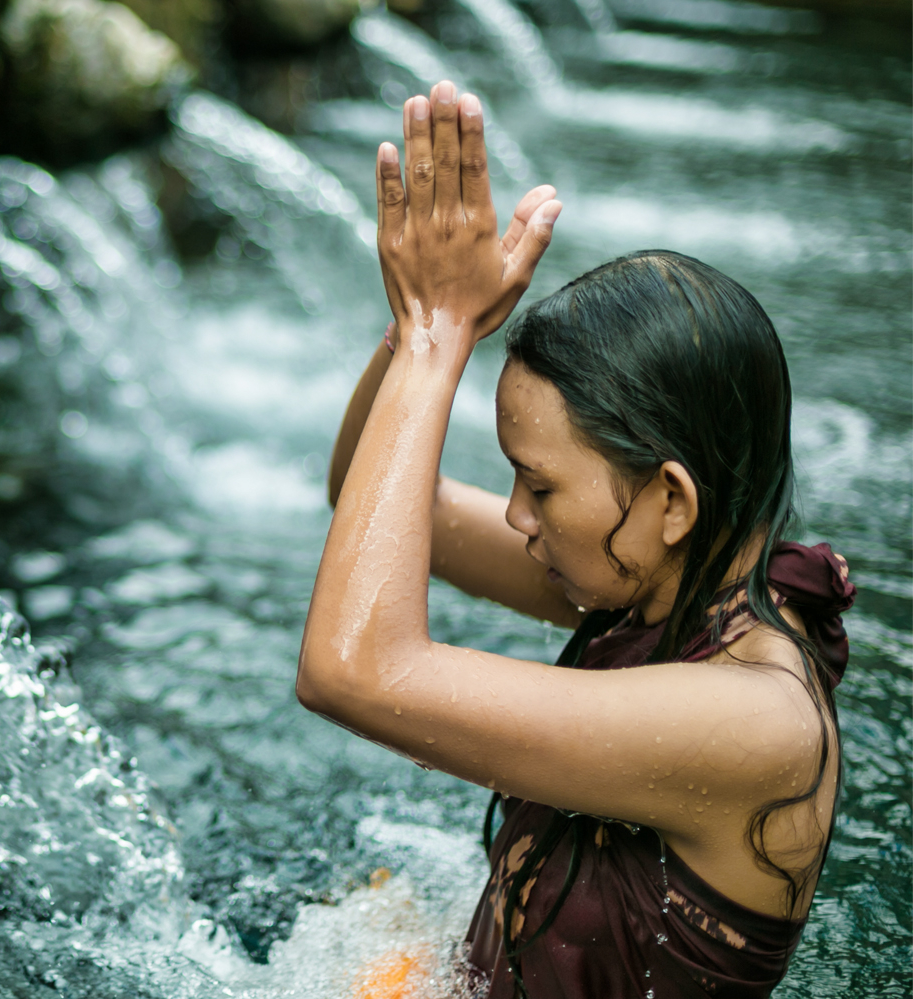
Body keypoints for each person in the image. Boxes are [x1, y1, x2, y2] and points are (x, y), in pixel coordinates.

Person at [298, 80, 854, 999]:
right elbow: (372, 485)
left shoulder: (760, 724)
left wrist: (439, 339)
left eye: (541, 483)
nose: (518, 515)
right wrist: (429, 326)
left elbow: (350, 670)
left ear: (670, 500)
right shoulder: (662, 577)